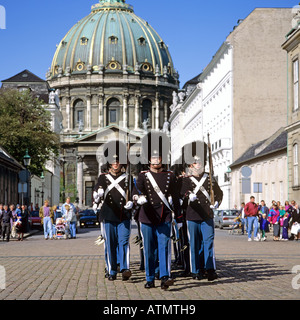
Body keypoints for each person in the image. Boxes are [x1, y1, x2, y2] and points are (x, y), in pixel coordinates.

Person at [133, 131, 182, 290]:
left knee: (165, 248)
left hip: (165, 216)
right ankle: (149, 278)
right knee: (149, 250)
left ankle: (165, 276)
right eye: (153, 158)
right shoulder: (143, 176)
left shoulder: (170, 175)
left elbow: (175, 196)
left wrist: (179, 217)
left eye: (158, 158)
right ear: (149, 160)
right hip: (147, 216)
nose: (156, 160)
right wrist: (137, 198)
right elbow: (135, 191)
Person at [180, 140, 223, 281]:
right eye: (197, 163)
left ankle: (210, 269)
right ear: (191, 165)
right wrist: (188, 196)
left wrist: (216, 202)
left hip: (207, 215)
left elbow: (219, 193)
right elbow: (182, 193)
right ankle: (196, 270)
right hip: (192, 215)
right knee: (194, 244)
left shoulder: (209, 178)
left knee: (208, 242)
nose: (199, 165)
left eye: (201, 162)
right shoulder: (186, 179)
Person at [94, 140, 133, 282]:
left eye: (118, 161)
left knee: (123, 242)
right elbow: (98, 188)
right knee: (110, 243)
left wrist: (132, 201)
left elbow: (134, 193)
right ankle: (111, 270)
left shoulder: (128, 177)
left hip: (124, 215)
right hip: (108, 214)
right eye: (113, 161)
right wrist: (97, 193)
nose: (115, 163)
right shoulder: (103, 177)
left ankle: (124, 268)